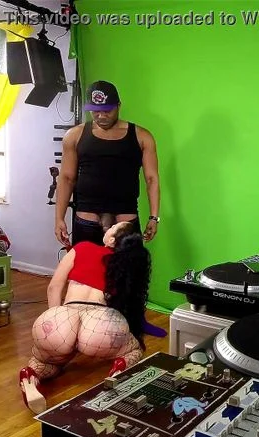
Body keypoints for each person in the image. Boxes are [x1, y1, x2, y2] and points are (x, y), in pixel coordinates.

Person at [19, 221, 151, 414]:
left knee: (46, 362)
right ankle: (119, 370)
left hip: (64, 316)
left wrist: (59, 321)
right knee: (135, 349)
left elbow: (54, 287)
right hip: (99, 323)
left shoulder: (81, 248)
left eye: (112, 228)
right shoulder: (125, 264)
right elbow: (126, 304)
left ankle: (30, 378)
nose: (107, 228)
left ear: (112, 240)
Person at [54, 80, 161, 248]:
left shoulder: (142, 136)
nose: (101, 116)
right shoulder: (74, 135)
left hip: (124, 221)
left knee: (128, 265)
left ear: (118, 106)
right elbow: (67, 178)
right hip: (87, 217)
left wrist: (154, 217)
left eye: (107, 110)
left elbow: (152, 179)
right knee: (84, 265)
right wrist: (59, 218)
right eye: (96, 111)